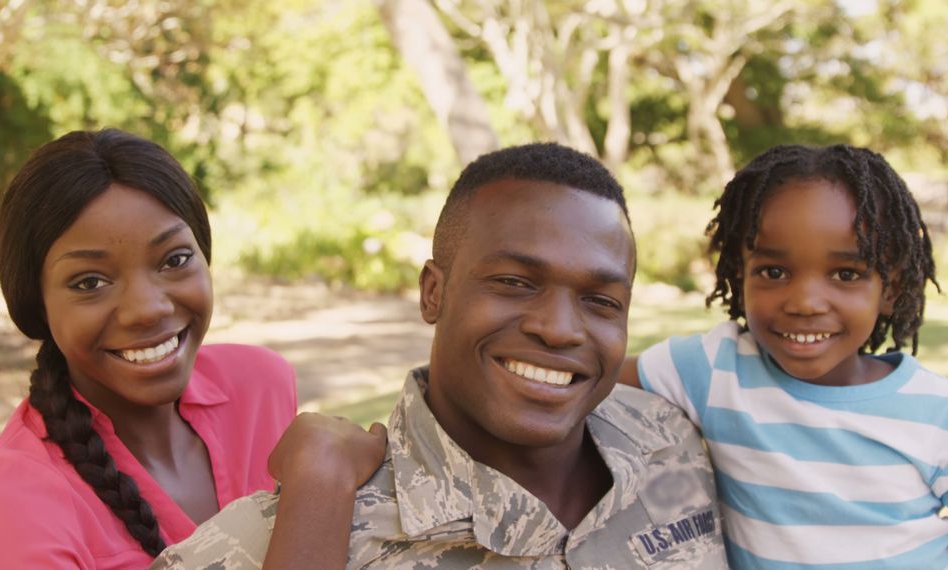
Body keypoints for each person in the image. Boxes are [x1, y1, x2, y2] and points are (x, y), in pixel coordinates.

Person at [149, 142, 729, 568]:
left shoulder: (678, 445)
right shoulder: (267, 545)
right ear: (434, 292)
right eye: (514, 282)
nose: (558, 330)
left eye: (601, 300)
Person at [0, 129, 385, 569]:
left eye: (174, 260)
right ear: (37, 306)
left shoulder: (258, 386)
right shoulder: (7, 498)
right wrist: (318, 480)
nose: (146, 309)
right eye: (89, 282)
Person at [621, 144, 948, 568]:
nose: (805, 302)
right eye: (774, 272)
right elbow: (595, 376)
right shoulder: (717, 369)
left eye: (846, 274)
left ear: (890, 290)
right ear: (739, 276)